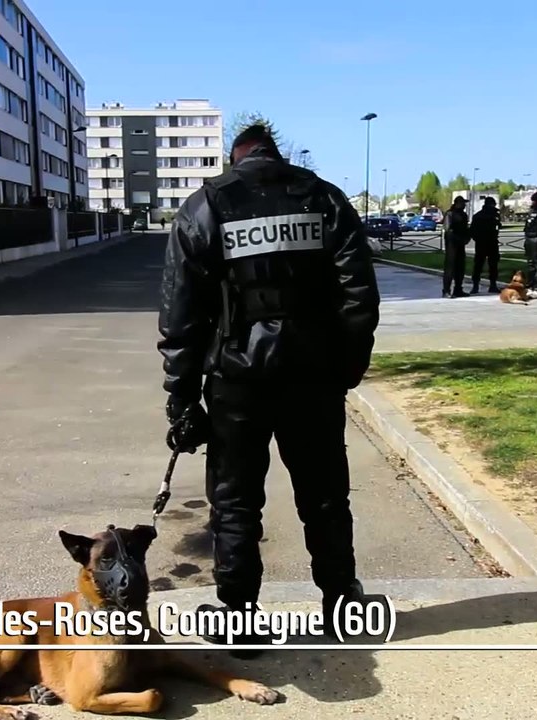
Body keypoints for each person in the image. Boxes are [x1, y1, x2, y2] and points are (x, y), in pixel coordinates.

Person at [157, 123, 383, 656]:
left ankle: (239, 616)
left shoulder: (205, 206)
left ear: (236, 157)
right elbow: (359, 296)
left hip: (237, 380)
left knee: (235, 503)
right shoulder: (324, 198)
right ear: (276, 154)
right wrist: (346, 366)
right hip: (313, 377)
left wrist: (182, 397)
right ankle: (343, 605)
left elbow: (181, 313)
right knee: (325, 496)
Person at [469, 197, 502, 294]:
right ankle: (492, 285)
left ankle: (476, 286)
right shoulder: (493, 215)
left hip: (481, 243)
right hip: (490, 242)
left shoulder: (477, 215)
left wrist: (477, 239)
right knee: (492, 265)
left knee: (479, 265)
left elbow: (472, 231)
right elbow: (498, 227)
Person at [442, 196, 469, 297]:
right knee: (450, 267)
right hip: (451, 244)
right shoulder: (450, 213)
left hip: (461, 243)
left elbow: (465, 228)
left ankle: (458, 289)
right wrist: (457, 238)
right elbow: (448, 229)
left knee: (460, 267)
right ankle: (446, 290)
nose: (464, 205)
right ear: (458, 203)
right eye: (462, 203)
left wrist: (467, 237)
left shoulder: (463, 215)